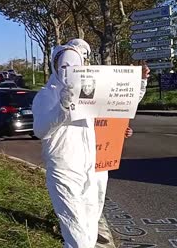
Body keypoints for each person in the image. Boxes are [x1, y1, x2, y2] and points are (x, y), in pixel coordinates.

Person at [32, 38, 149, 247]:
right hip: (64, 168)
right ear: (56, 66)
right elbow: (40, 130)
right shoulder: (45, 95)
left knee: (90, 223)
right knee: (77, 230)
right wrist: (63, 107)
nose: (69, 70)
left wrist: (139, 83)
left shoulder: (90, 90)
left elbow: (120, 104)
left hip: (92, 166)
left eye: (75, 66)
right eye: (65, 66)